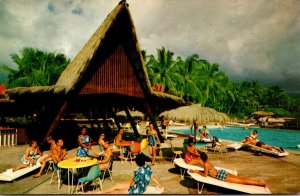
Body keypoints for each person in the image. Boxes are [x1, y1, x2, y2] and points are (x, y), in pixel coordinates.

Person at [91, 153, 165, 194]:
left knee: (116, 192)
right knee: (117, 185)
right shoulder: (147, 167)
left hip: (136, 190)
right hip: (140, 186)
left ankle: (101, 193)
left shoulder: (139, 171)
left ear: (137, 162)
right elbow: (153, 177)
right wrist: (161, 186)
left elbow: (132, 184)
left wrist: (126, 186)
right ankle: (100, 192)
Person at [189, 152, 266, 186]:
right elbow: (208, 171)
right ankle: (258, 181)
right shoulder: (208, 162)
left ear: (201, 158)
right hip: (221, 172)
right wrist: (200, 171)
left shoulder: (205, 164)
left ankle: (259, 183)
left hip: (220, 176)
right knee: (239, 178)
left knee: (240, 181)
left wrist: (197, 172)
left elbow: (205, 175)